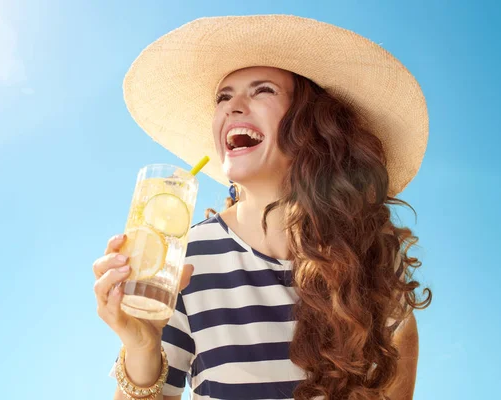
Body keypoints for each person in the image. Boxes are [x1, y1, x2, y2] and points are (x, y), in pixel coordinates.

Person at [92, 15, 432, 400]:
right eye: (223, 97)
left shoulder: (375, 274)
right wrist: (141, 348)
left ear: (313, 125)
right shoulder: (183, 261)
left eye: (262, 91)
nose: (233, 108)